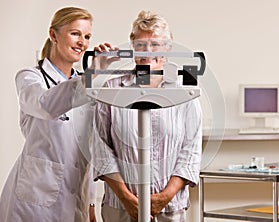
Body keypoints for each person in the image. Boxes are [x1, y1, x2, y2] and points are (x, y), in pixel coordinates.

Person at [91, 10, 202, 222]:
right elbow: (100, 148)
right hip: (120, 208)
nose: (147, 52)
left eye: (155, 45)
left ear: (168, 49)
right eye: (141, 45)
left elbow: (191, 151)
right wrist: (127, 199)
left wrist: (164, 198)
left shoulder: (184, 92)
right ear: (133, 47)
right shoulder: (113, 88)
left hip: (170, 208)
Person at [0, 7, 97, 222]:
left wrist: (91, 199)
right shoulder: (30, 78)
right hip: (33, 200)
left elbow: (88, 148)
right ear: (53, 35)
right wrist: (91, 77)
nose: (83, 42)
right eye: (75, 33)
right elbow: (46, 105)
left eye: (87, 36)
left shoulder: (86, 85)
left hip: (77, 194)